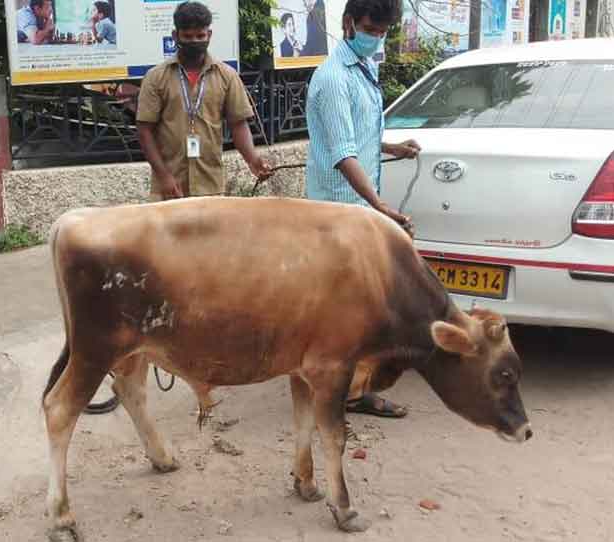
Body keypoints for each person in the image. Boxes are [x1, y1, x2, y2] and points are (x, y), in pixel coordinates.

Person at [305, 0, 421, 418]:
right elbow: (342, 153)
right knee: (351, 310)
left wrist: (393, 147)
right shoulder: (334, 78)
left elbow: (359, 135)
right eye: (372, 27)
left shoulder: (365, 69)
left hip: (359, 211)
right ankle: (342, 393)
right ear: (349, 23)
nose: (377, 36)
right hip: (339, 215)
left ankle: (349, 389)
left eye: (385, 30)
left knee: (360, 309)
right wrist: (380, 207)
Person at [136, 1, 272, 200]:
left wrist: (252, 160)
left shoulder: (227, 76)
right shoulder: (156, 77)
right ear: (176, 36)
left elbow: (238, 124)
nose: (195, 41)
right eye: (188, 36)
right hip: (169, 188)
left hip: (211, 186)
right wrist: (164, 176)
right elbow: (144, 130)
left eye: (200, 36)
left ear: (209, 35)